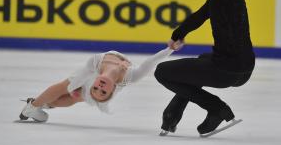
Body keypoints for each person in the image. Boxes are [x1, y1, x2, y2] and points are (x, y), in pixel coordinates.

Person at [154, 0, 255, 136]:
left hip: (227, 70)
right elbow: (199, 17)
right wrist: (177, 36)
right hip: (243, 67)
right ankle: (172, 115)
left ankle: (217, 108)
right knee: (201, 60)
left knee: (161, 72)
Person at [20, 47, 176, 122]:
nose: (100, 87)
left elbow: (74, 85)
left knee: (74, 93)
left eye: (97, 89)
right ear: (112, 90)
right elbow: (151, 62)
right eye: (103, 92)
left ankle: (35, 107)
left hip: (93, 71)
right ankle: (39, 106)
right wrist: (171, 48)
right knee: (68, 88)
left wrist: (75, 88)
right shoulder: (130, 76)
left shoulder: (93, 63)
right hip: (91, 74)